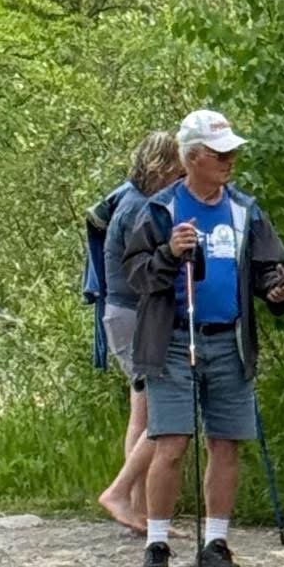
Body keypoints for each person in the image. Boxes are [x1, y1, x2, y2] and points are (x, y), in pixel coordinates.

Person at [124, 108, 284, 567]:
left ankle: (216, 543)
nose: (230, 161)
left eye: (232, 152)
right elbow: (136, 276)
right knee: (172, 442)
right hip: (174, 339)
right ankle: (157, 545)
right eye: (220, 154)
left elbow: (269, 267)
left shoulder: (245, 209)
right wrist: (168, 253)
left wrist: (278, 289)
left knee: (226, 442)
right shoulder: (159, 210)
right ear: (192, 157)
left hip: (230, 340)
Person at [92, 131, 182, 532]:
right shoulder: (138, 208)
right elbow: (146, 271)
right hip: (133, 315)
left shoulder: (130, 199)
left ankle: (140, 510)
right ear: (162, 167)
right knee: (163, 413)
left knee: (142, 413)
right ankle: (119, 493)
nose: (183, 176)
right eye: (179, 168)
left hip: (124, 313)